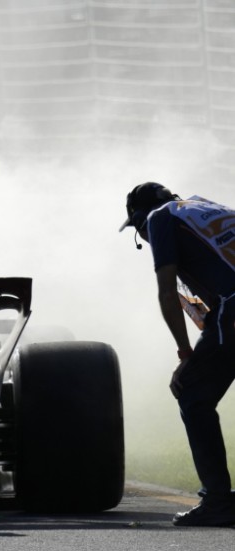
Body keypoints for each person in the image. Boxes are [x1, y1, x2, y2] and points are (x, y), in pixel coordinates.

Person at [120, 182, 235, 527]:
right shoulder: (205, 206)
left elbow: (168, 293)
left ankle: (217, 501)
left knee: (193, 393)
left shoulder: (158, 218)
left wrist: (185, 355)